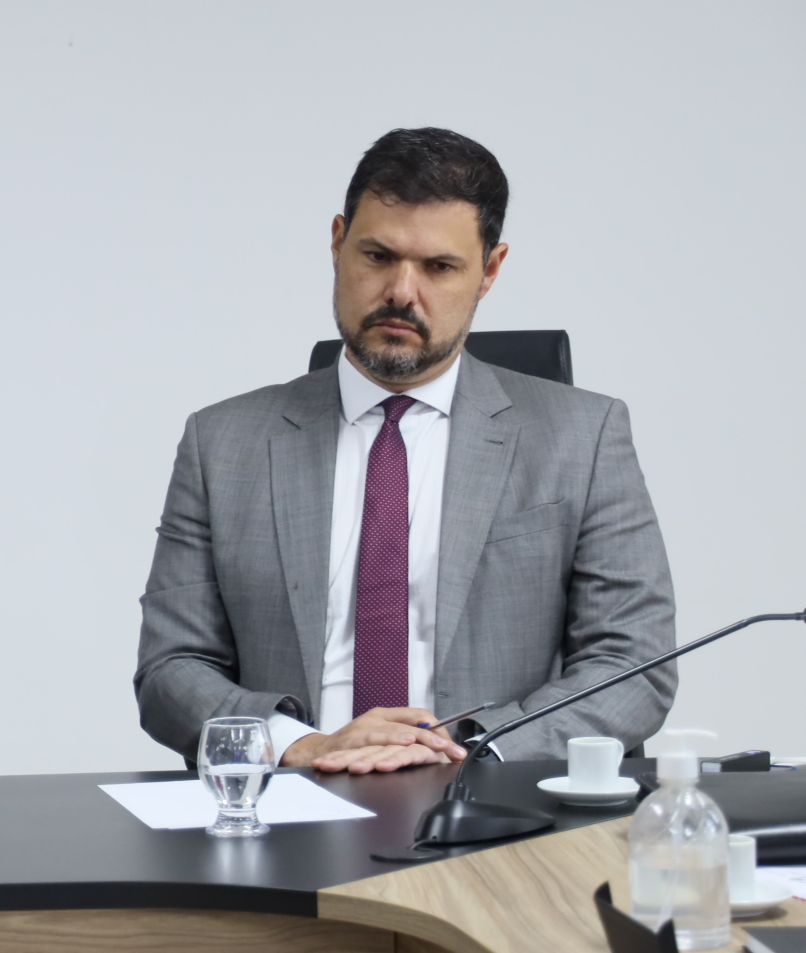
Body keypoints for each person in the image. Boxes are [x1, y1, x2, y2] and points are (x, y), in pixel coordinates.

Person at [135, 128, 675, 771]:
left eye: (439, 267)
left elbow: (633, 664)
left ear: (490, 270)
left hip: (487, 800)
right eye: (378, 256)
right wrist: (300, 746)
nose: (401, 291)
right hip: (295, 795)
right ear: (338, 243)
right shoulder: (223, 443)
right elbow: (172, 668)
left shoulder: (583, 436)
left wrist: (469, 749)